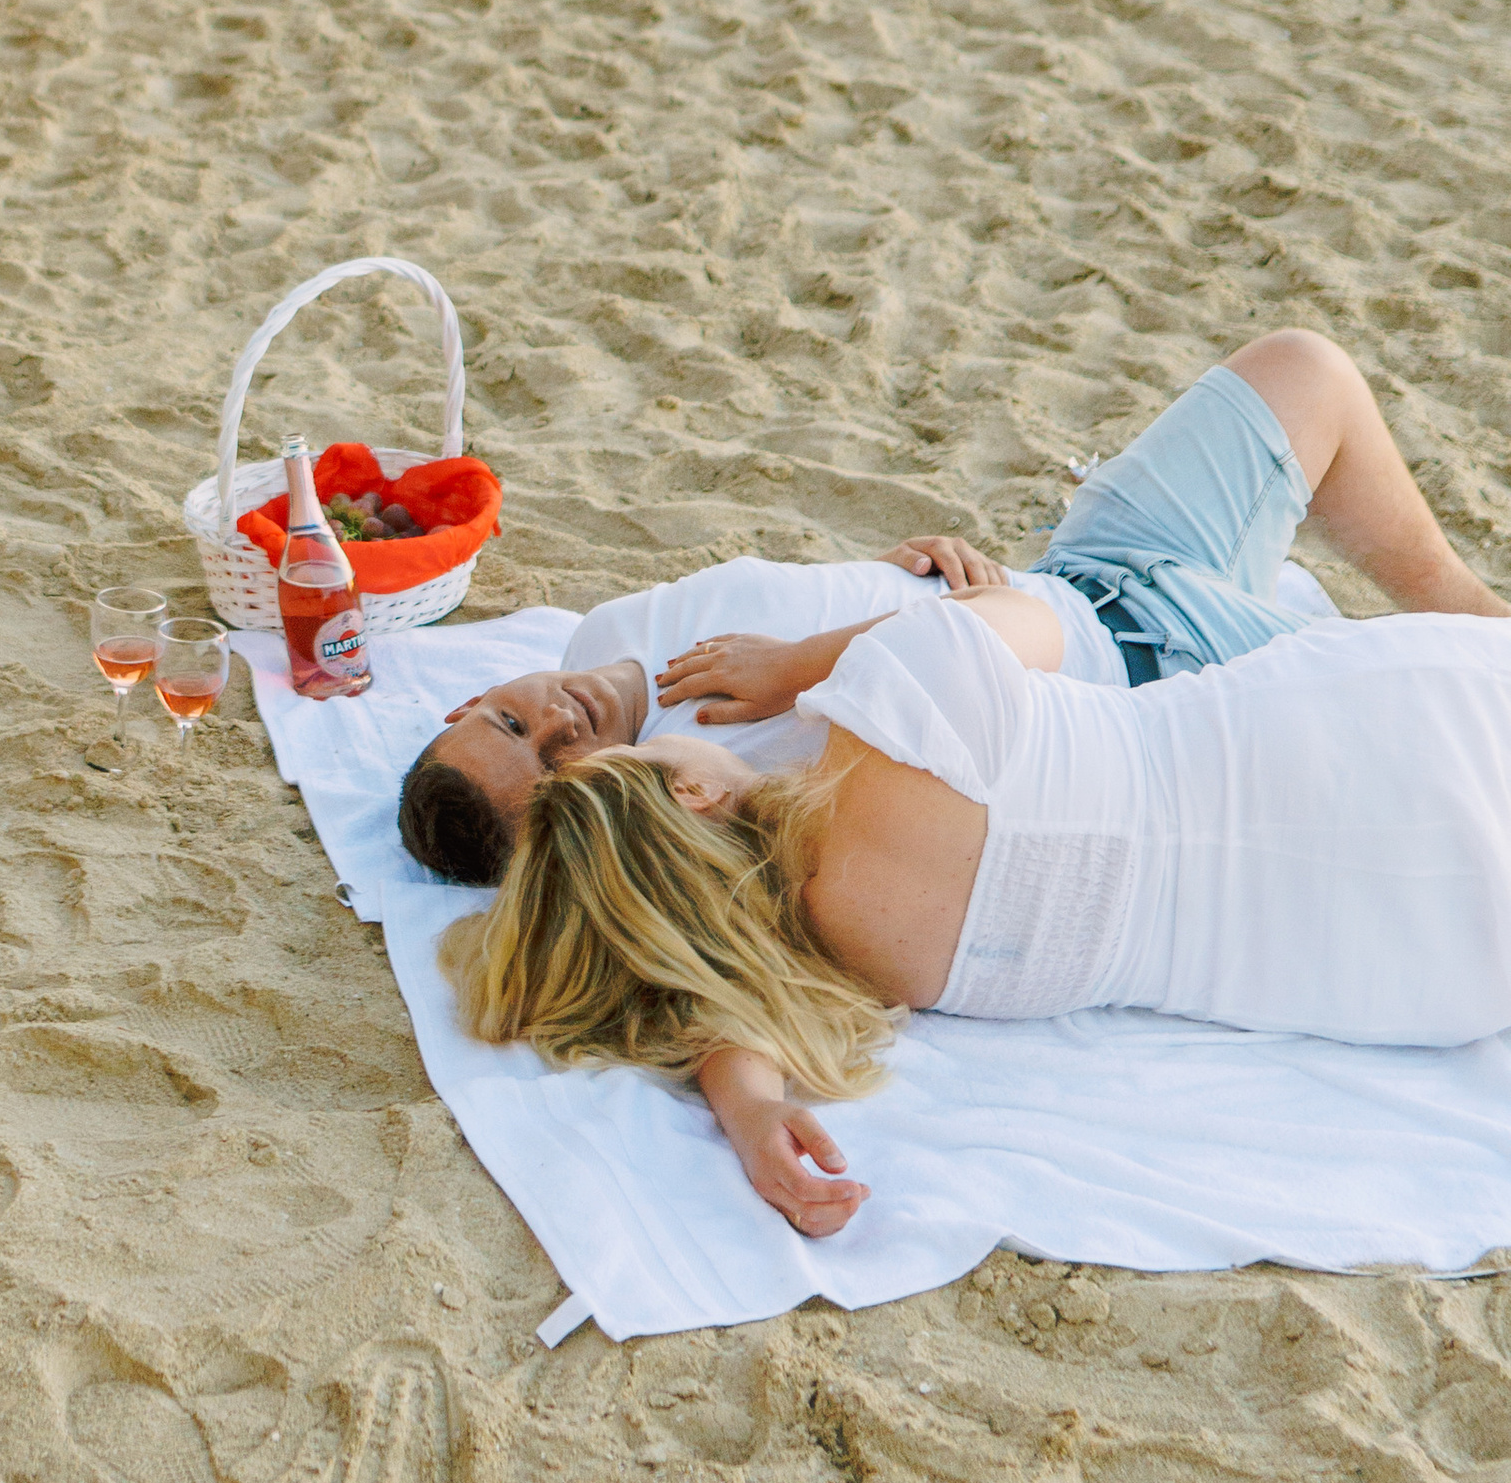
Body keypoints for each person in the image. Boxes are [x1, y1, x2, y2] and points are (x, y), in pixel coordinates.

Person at [438, 329, 1511, 1237]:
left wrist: (754, 1116)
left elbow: (710, 990)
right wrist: (817, 665)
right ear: (691, 800)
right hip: (1356, 729)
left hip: (1417, 973)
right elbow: (1033, 620)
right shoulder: (892, 707)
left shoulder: (840, 952)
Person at [396, 330, 1504, 891]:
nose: (562, 723)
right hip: (1154, 664)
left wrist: (890, 566)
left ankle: (1468, 607)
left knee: (1299, 369)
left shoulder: (601, 636)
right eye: (557, 767)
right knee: (1454, 690)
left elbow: (796, 594)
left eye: (512, 720)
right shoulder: (695, 795)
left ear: (479, 690)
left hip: (1099, 566)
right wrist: (808, 662)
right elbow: (939, 692)